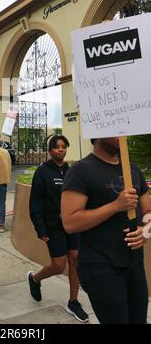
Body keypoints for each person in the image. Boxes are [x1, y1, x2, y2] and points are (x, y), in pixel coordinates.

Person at [61, 137, 151, 324]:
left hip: (135, 266)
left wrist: (146, 230)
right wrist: (116, 206)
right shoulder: (81, 170)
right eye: (114, 129)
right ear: (97, 133)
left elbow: (148, 210)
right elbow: (70, 222)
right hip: (100, 267)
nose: (121, 135)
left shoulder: (132, 170)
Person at [27, 134, 89, 323]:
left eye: (63, 146)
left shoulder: (71, 171)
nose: (60, 149)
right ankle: (35, 279)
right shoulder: (42, 172)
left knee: (75, 260)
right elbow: (35, 203)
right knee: (59, 265)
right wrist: (41, 228)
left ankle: (73, 302)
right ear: (50, 150)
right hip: (53, 226)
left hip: (72, 225)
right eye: (56, 147)